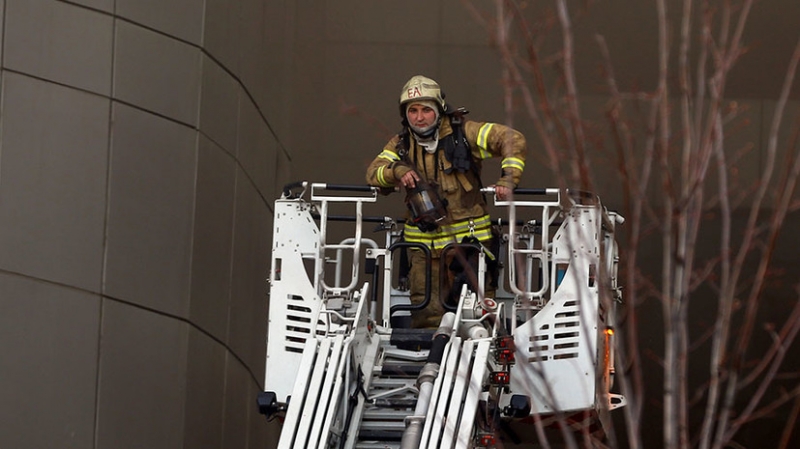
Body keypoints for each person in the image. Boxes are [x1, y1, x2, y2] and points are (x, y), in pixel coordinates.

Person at [366, 75, 527, 328]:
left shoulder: (465, 134)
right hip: (422, 251)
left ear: (439, 110)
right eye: (413, 111)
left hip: (468, 247)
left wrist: (508, 179)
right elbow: (373, 174)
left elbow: (513, 140)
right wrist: (395, 171)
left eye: (426, 110)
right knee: (426, 317)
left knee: (476, 317)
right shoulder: (401, 145)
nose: (419, 118)